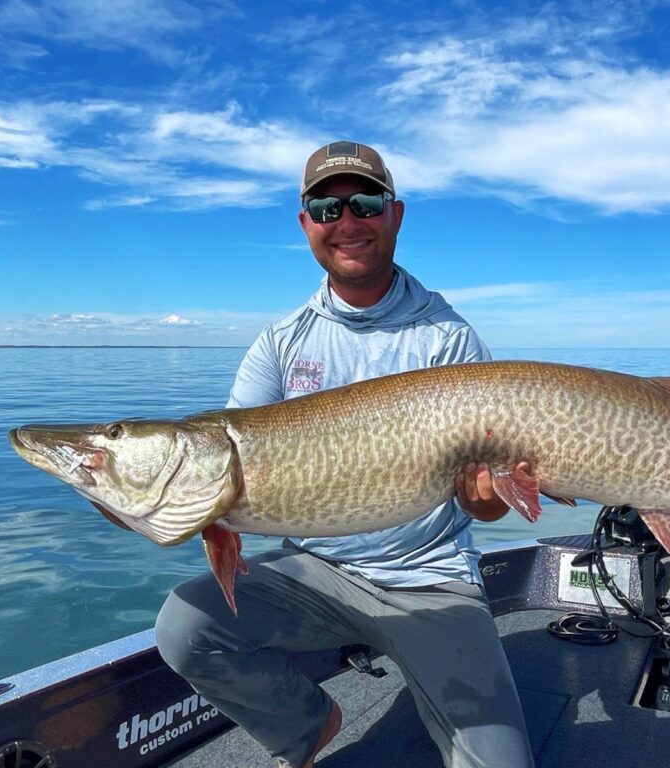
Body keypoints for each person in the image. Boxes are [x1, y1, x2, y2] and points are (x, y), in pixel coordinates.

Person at [155, 141, 535, 768]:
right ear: (306, 224)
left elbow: (488, 511)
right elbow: (222, 474)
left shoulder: (449, 339)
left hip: (429, 579)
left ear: (395, 214)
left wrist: (488, 494)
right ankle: (307, 724)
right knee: (186, 626)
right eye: (327, 209)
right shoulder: (281, 343)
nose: (347, 222)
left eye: (364, 203)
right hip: (317, 574)